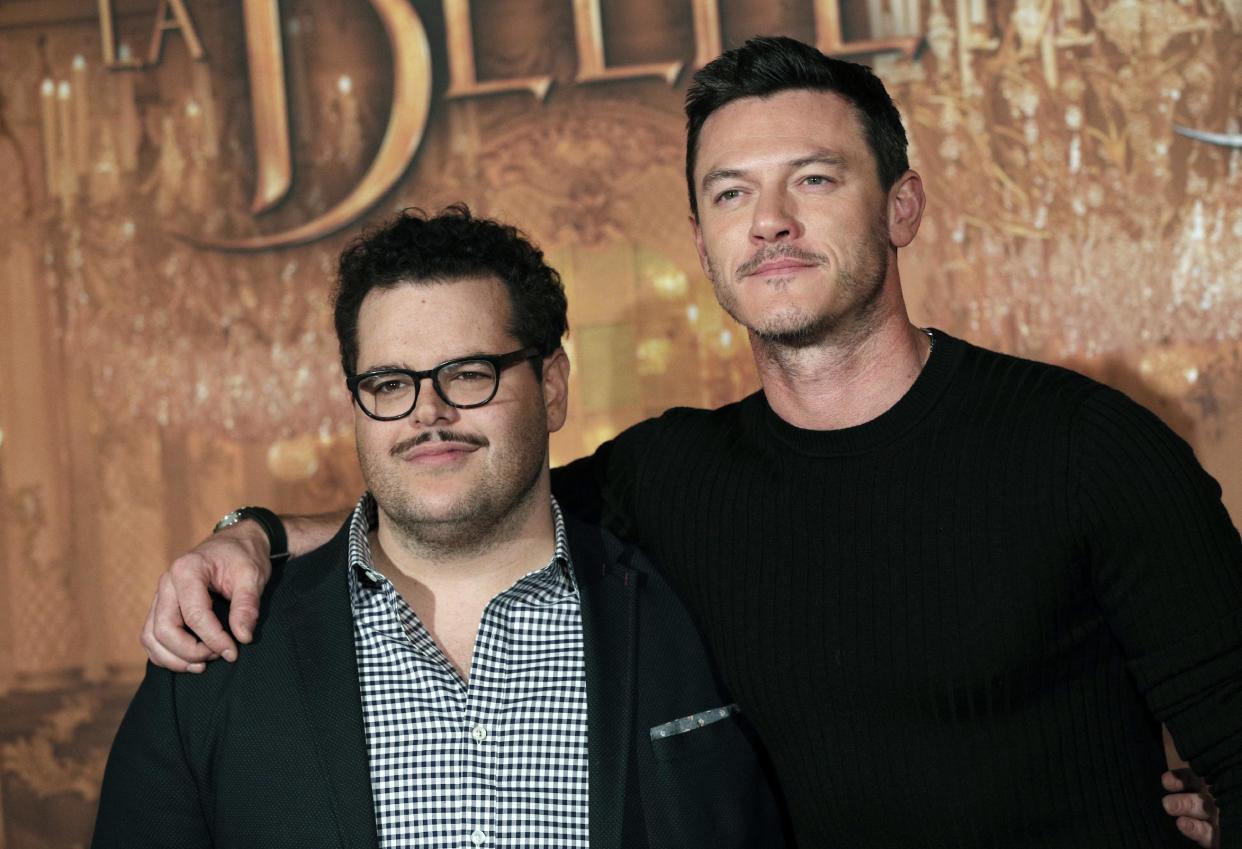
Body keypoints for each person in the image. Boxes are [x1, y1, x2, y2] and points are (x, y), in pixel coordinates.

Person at [141, 37, 1240, 849]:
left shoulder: (1089, 451)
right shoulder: (671, 478)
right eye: (732, 193)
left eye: (814, 179)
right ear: (706, 239)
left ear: (900, 207)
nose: (771, 222)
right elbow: (468, 506)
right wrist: (258, 535)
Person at [93, 206, 788, 849]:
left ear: (552, 387)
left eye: (467, 373)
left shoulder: (688, 601)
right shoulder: (220, 650)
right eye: (391, 383)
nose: (428, 412)